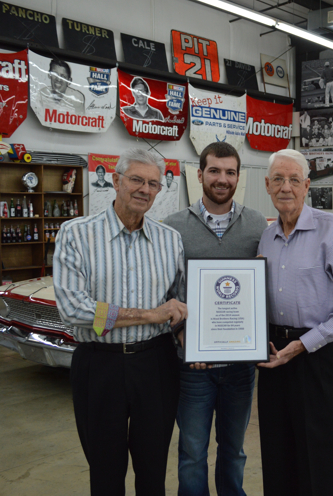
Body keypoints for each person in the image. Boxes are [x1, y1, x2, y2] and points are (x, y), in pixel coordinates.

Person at [53, 148, 186, 495]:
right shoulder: (76, 234)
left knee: (153, 469)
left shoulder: (170, 241)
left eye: (153, 183)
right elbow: (73, 309)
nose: (144, 189)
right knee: (106, 471)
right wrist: (148, 314)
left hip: (156, 364)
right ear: (115, 181)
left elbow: (180, 305)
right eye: (136, 180)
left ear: (160, 190)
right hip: (100, 364)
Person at [256, 149, 333, 496]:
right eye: (278, 179)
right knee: (277, 457)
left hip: (320, 357)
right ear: (267, 185)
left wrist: (305, 344)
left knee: (320, 460)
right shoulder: (266, 237)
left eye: (294, 179)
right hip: (276, 358)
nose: (286, 187)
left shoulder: (332, 229)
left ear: (308, 186)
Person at [163, 142, 267, 496]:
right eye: (214, 171)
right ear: (200, 174)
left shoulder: (256, 223)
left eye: (230, 172)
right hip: (194, 367)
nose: (222, 179)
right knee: (192, 452)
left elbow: (264, 287)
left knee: (234, 451)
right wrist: (179, 332)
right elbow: (164, 291)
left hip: (241, 366)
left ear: (239, 176)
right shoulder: (173, 227)